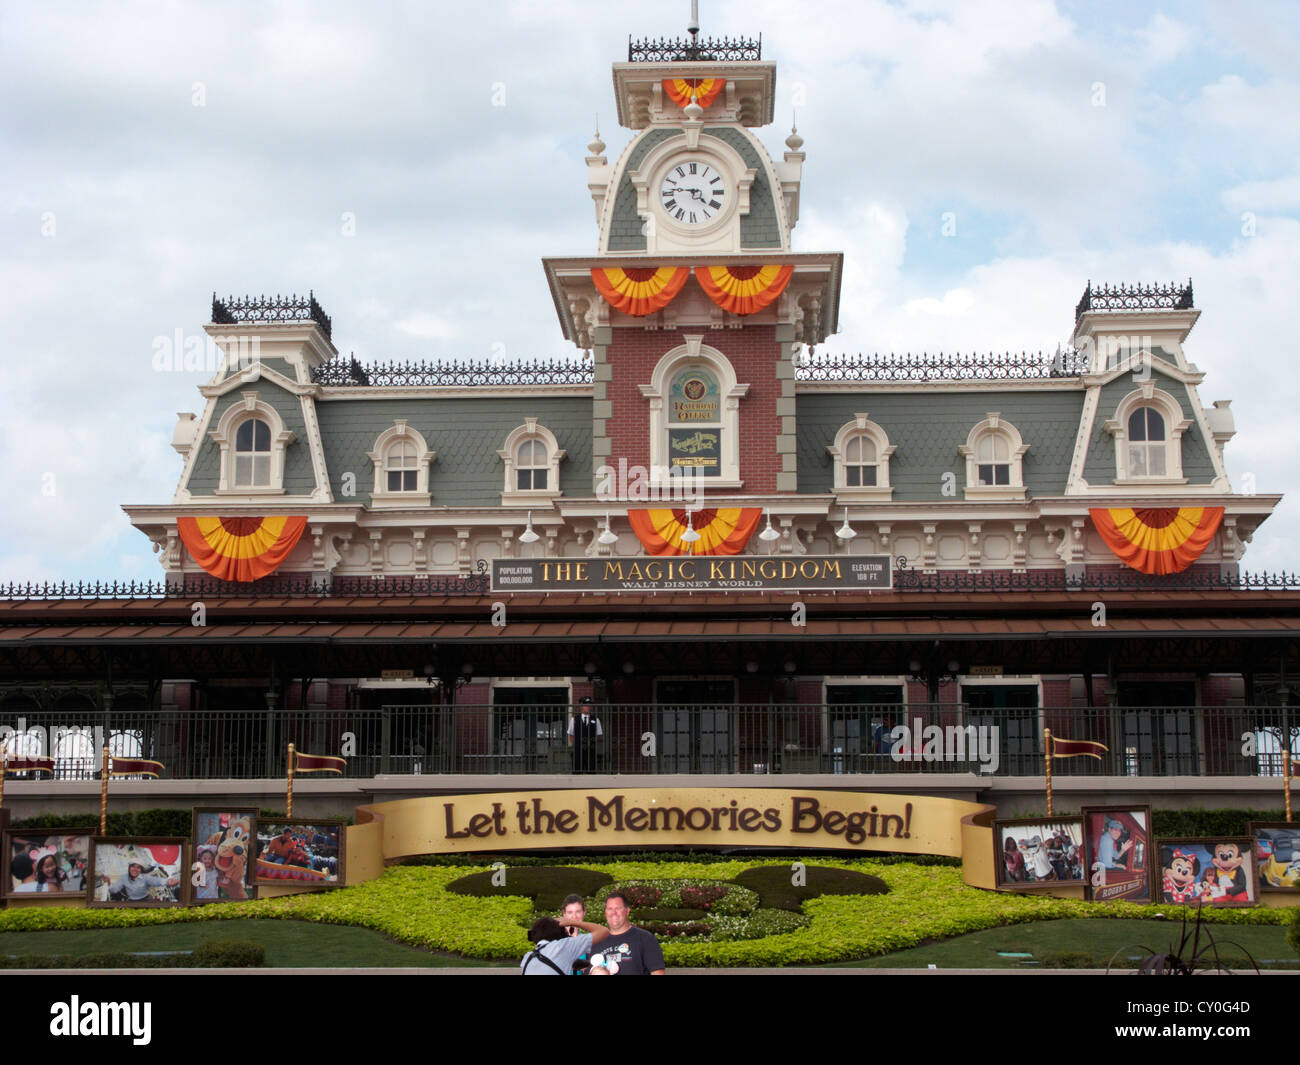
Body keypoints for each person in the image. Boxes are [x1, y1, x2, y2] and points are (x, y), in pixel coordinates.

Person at [591, 891, 666, 975]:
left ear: (627, 911)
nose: (613, 913)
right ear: (605, 912)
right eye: (610, 909)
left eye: (618, 908)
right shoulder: (596, 942)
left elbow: (658, 972)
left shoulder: (645, 939)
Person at [520, 914, 609, 976]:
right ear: (561, 933)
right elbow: (603, 931)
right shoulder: (562, 947)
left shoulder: (527, 958)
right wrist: (571, 922)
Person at [104, 861, 179, 902]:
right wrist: (108, 882)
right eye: (133, 866)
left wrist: (168, 881)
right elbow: (114, 889)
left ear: (141, 869)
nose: (135, 869)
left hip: (147, 900)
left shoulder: (145, 877)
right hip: (131, 902)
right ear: (129, 867)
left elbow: (156, 881)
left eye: (138, 867)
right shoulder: (124, 878)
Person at [560, 893, 595, 974]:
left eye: (578, 912)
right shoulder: (555, 939)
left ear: (584, 912)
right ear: (564, 914)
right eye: (570, 912)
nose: (574, 916)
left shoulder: (588, 940)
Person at [567, 697, 603, 774]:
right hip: (578, 750)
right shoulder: (574, 719)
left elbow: (598, 734)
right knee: (577, 771)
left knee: (591, 771)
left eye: (590, 705)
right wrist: (576, 744)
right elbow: (570, 734)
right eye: (586, 705)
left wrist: (592, 742)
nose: (588, 707)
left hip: (591, 749)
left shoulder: (596, 719)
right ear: (581, 706)